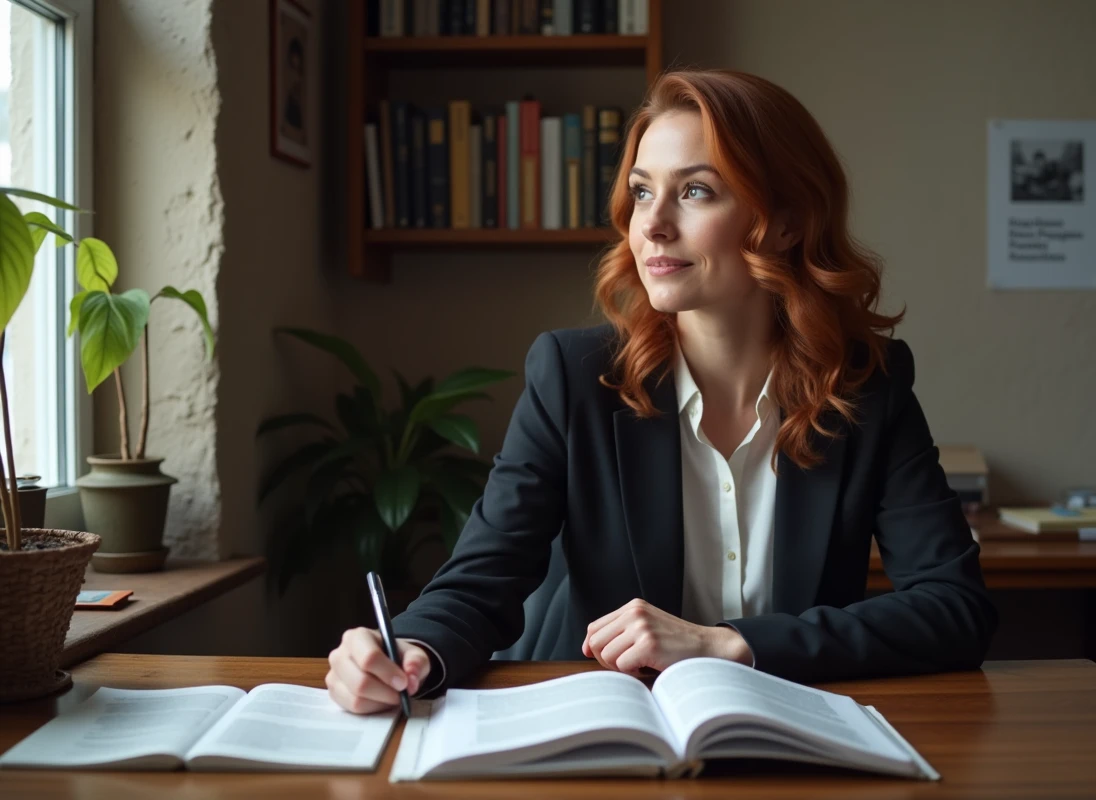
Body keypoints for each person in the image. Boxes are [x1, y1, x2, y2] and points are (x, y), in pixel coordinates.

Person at [325, 68, 997, 714]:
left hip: (787, 732)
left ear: (787, 222)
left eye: (696, 191)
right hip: (604, 733)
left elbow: (954, 608)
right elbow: (480, 580)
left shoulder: (866, 386)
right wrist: (407, 650)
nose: (651, 224)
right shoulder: (574, 376)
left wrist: (728, 644)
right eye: (643, 192)